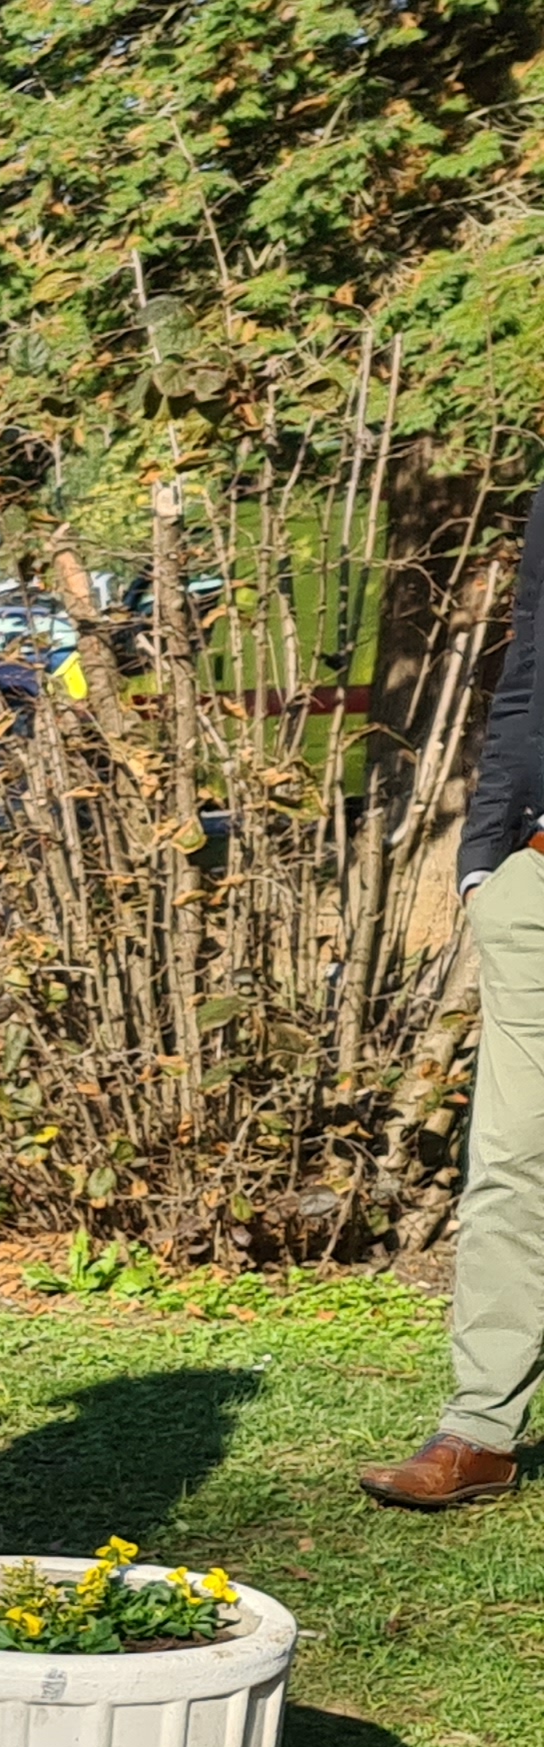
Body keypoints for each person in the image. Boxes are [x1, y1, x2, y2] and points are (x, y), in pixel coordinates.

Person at [363, 469, 544, 1510]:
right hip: (537, 881)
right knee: (513, 1162)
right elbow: (529, 674)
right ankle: (481, 1429)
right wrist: (486, 856)